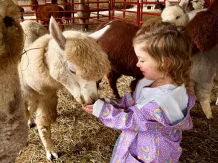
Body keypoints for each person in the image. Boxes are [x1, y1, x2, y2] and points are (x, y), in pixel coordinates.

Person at [82, 21, 195, 163]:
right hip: (138, 143)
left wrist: (103, 110)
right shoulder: (148, 82)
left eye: (142, 60)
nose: (137, 64)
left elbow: (131, 121)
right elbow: (133, 101)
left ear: (165, 62)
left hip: (152, 154)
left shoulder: (162, 102)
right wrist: (110, 102)